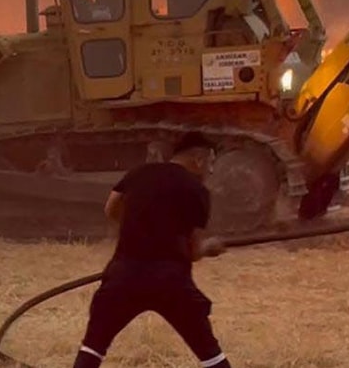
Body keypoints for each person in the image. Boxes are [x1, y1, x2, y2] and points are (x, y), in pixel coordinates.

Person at [73, 131, 231, 368]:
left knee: (93, 348)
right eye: (211, 162)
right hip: (170, 282)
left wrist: (139, 225)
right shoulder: (196, 190)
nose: (210, 171)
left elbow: (110, 208)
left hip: (123, 277)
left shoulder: (140, 172)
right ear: (198, 159)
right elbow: (194, 251)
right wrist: (209, 248)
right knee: (210, 354)